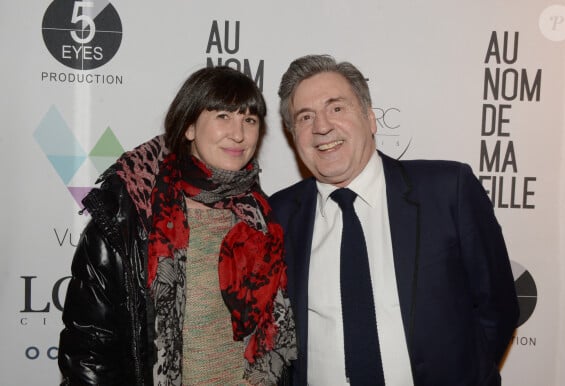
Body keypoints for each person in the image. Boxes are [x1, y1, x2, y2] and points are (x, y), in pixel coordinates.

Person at [269, 54, 519, 386]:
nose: (322, 126)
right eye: (305, 117)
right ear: (293, 135)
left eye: (337, 108)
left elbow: (498, 308)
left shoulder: (447, 191)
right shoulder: (278, 214)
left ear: (370, 118)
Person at [58, 66, 297, 386]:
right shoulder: (129, 217)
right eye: (223, 116)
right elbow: (90, 351)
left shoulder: (260, 217)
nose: (239, 134)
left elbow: (276, 339)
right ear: (189, 127)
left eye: (249, 120)